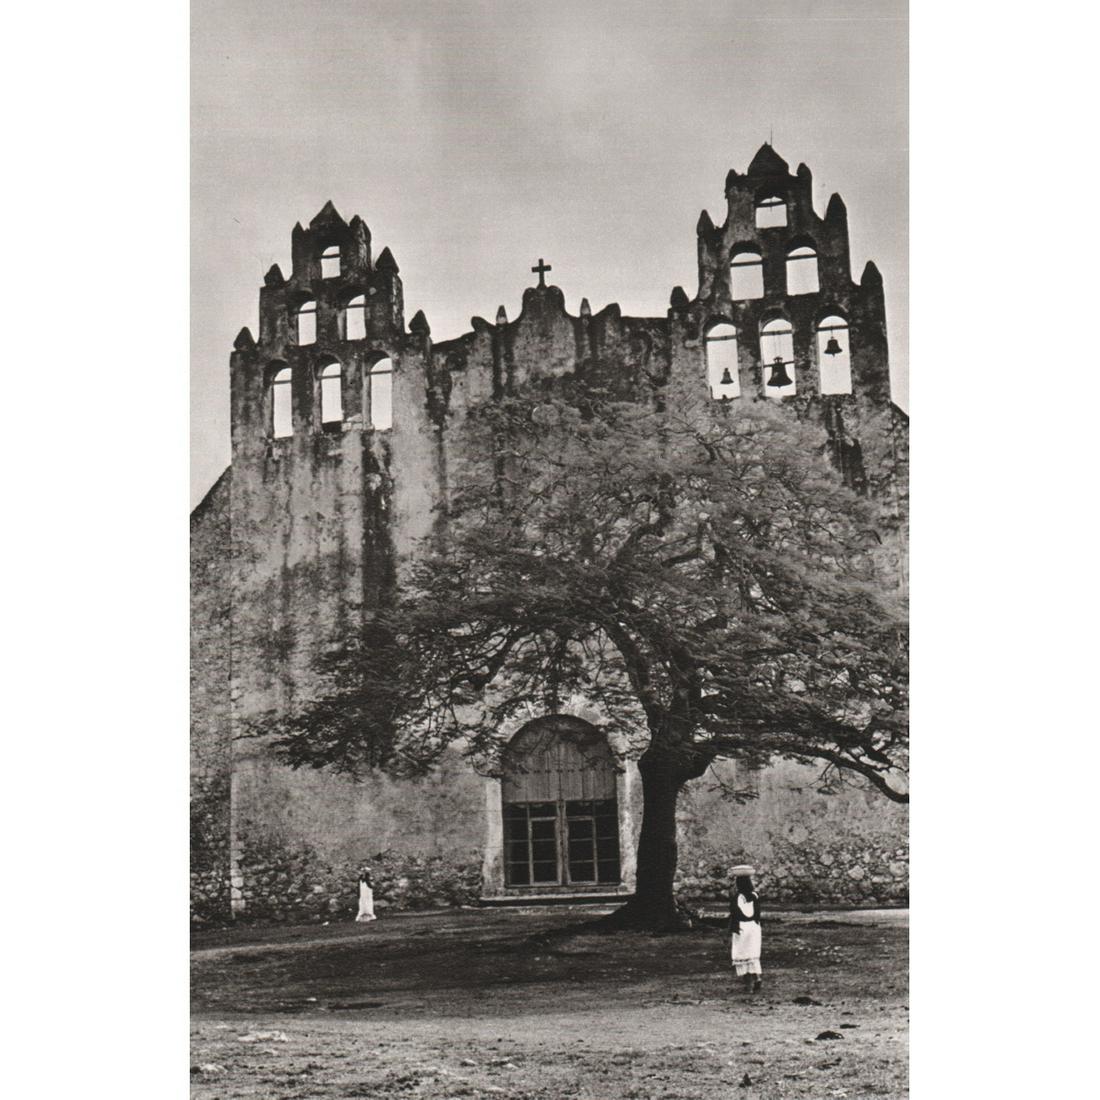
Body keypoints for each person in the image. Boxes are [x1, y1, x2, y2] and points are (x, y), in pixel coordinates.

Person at [727, 864, 762, 992]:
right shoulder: (755, 895)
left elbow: (735, 914)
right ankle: (757, 977)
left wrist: (731, 928)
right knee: (752, 955)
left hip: (742, 927)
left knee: (742, 955)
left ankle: (749, 986)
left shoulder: (737, 898)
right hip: (754, 926)